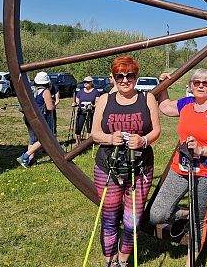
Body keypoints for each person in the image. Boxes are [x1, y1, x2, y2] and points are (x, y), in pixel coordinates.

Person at [150, 68, 207, 266]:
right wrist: (165, 84)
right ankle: (182, 213)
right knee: (156, 215)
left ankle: (190, 261)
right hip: (180, 168)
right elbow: (166, 107)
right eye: (197, 82)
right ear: (190, 85)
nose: (201, 86)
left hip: (206, 171)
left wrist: (201, 151)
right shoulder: (187, 103)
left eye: (206, 83)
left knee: (198, 221)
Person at [90, 56, 161, 267]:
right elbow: (95, 134)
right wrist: (110, 139)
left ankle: (123, 260)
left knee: (132, 220)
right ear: (112, 78)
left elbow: (156, 130)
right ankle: (110, 261)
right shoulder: (104, 100)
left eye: (129, 75)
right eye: (119, 76)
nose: (124, 80)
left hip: (140, 166)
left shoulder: (147, 98)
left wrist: (144, 140)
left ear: (136, 77)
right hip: (108, 166)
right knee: (110, 217)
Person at [16, 71, 55, 168]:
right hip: (40, 119)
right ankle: (25, 156)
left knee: (33, 140)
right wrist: (53, 102)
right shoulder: (45, 91)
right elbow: (50, 107)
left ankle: (30, 160)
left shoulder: (32, 90)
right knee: (45, 139)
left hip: (29, 118)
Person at [73, 76, 101, 144]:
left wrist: (92, 106)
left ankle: (87, 143)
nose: (85, 83)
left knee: (89, 128)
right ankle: (78, 143)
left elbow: (97, 103)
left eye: (87, 82)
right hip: (81, 112)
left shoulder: (95, 92)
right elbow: (77, 101)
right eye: (84, 82)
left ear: (91, 83)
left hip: (90, 112)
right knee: (78, 128)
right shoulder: (81, 91)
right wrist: (75, 104)